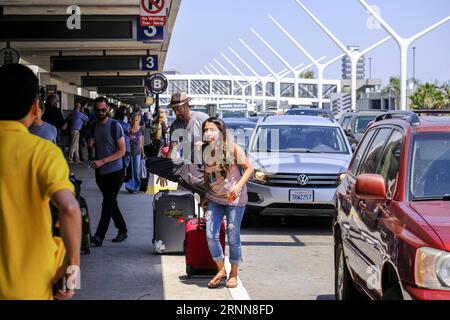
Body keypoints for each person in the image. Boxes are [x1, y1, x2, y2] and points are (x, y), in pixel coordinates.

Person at [0, 64, 81, 300]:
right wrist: (72, 268)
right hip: (30, 286)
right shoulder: (42, 152)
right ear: (36, 106)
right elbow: (70, 207)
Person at [201, 117, 254, 289]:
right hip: (215, 199)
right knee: (211, 234)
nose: (208, 133)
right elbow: (207, 176)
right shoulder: (204, 150)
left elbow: (249, 169)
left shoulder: (232, 149)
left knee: (233, 236)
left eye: (212, 129)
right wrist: (205, 195)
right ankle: (221, 269)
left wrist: (238, 187)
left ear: (221, 132)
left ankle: (234, 273)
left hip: (234, 200)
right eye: (206, 130)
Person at [89, 97, 128, 247]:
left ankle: (99, 236)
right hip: (100, 173)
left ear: (108, 109)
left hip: (116, 171)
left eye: (103, 110)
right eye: (98, 110)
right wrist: (91, 145)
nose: (100, 112)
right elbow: (96, 147)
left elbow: (122, 151)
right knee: (111, 203)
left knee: (107, 203)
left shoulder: (115, 126)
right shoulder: (93, 126)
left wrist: (103, 161)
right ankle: (122, 230)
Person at [125, 113, 144, 194]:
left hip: (137, 153)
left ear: (139, 121)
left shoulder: (140, 129)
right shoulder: (127, 129)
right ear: (131, 120)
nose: (134, 121)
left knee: (136, 171)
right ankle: (130, 186)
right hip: (129, 153)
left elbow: (141, 142)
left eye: (136, 120)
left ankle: (136, 187)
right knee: (130, 171)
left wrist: (143, 153)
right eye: (133, 119)